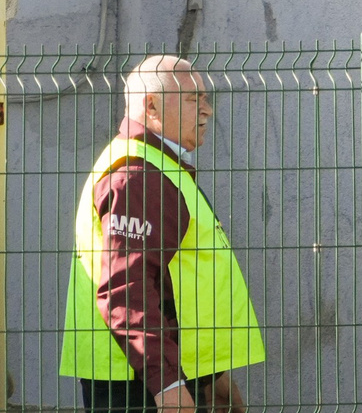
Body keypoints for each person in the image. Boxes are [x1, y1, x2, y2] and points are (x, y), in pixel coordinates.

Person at [60, 56, 266, 412]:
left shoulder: (158, 167)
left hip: (159, 374)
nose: (207, 111)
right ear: (151, 106)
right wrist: (168, 384)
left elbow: (174, 282)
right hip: (140, 384)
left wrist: (211, 376)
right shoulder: (138, 176)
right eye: (193, 99)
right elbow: (128, 289)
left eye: (204, 99)